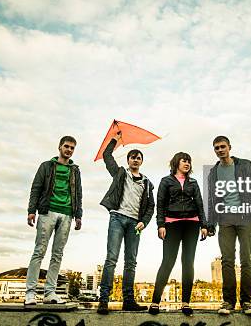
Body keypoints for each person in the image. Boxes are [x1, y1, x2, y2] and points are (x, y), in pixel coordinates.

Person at [207, 135, 251, 315]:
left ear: (229, 147)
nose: (220, 150)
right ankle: (228, 302)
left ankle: (247, 302)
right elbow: (212, 199)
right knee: (227, 261)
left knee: (247, 261)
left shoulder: (245, 165)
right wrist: (211, 223)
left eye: (222, 147)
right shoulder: (213, 173)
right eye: (216, 148)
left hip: (246, 218)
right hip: (225, 220)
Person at [97, 133, 155, 314]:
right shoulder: (120, 173)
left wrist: (143, 222)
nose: (135, 160)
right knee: (111, 259)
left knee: (131, 262)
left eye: (138, 158)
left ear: (141, 161)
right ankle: (104, 300)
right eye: (132, 157)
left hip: (134, 225)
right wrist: (115, 139)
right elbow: (107, 156)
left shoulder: (147, 183)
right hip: (117, 218)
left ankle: (128, 300)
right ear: (128, 160)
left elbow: (151, 207)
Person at [24, 136, 83, 305]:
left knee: (57, 255)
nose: (69, 150)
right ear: (59, 147)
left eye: (72, 148)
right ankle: (30, 293)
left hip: (67, 214)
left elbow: (78, 193)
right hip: (47, 211)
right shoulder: (47, 166)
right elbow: (36, 188)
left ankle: (50, 293)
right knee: (39, 251)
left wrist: (78, 215)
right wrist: (31, 211)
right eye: (66, 146)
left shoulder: (75, 170)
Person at [149, 152, 209, 316]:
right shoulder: (166, 181)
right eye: (184, 161)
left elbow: (199, 204)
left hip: (192, 224)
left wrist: (204, 225)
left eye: (189, 161)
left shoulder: (193, 182)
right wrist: (160, 224)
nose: (187, 163)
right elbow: (160, 204)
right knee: (168, 261)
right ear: (176, 163)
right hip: (172, 224)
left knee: (188, 262)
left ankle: (185, 303)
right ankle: (155, 301)